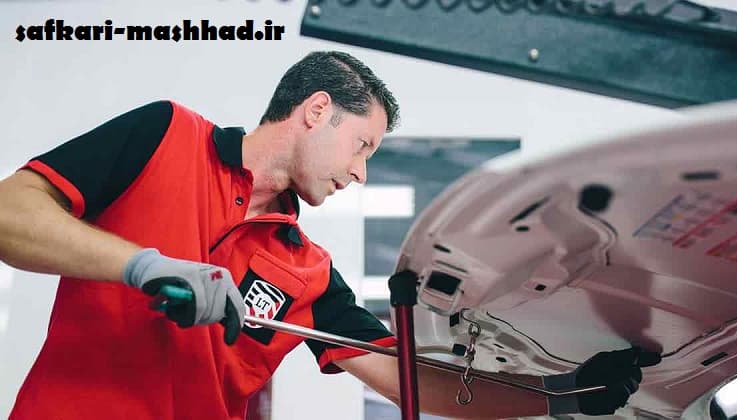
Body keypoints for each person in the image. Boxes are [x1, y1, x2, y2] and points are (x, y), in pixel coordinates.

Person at [0, 51, 650, 419]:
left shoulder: (308, 273)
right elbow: (10, 213)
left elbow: (407, 378)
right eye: (362, 145)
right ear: (317, 111)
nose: (361, 172)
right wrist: (145, 266)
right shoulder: (165, 134)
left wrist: (556, 396)